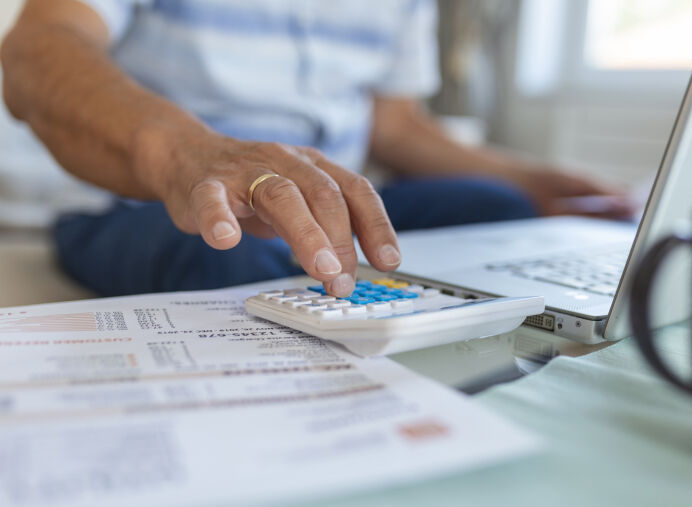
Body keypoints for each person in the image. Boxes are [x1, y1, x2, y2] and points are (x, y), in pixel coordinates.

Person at [1, 0, 627, 299]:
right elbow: (35, 51)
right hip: (148, 205)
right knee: (227, 259)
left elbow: (397, 126)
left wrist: (534, 180)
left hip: (328, 201)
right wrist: (187, 154)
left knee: (501, 209)